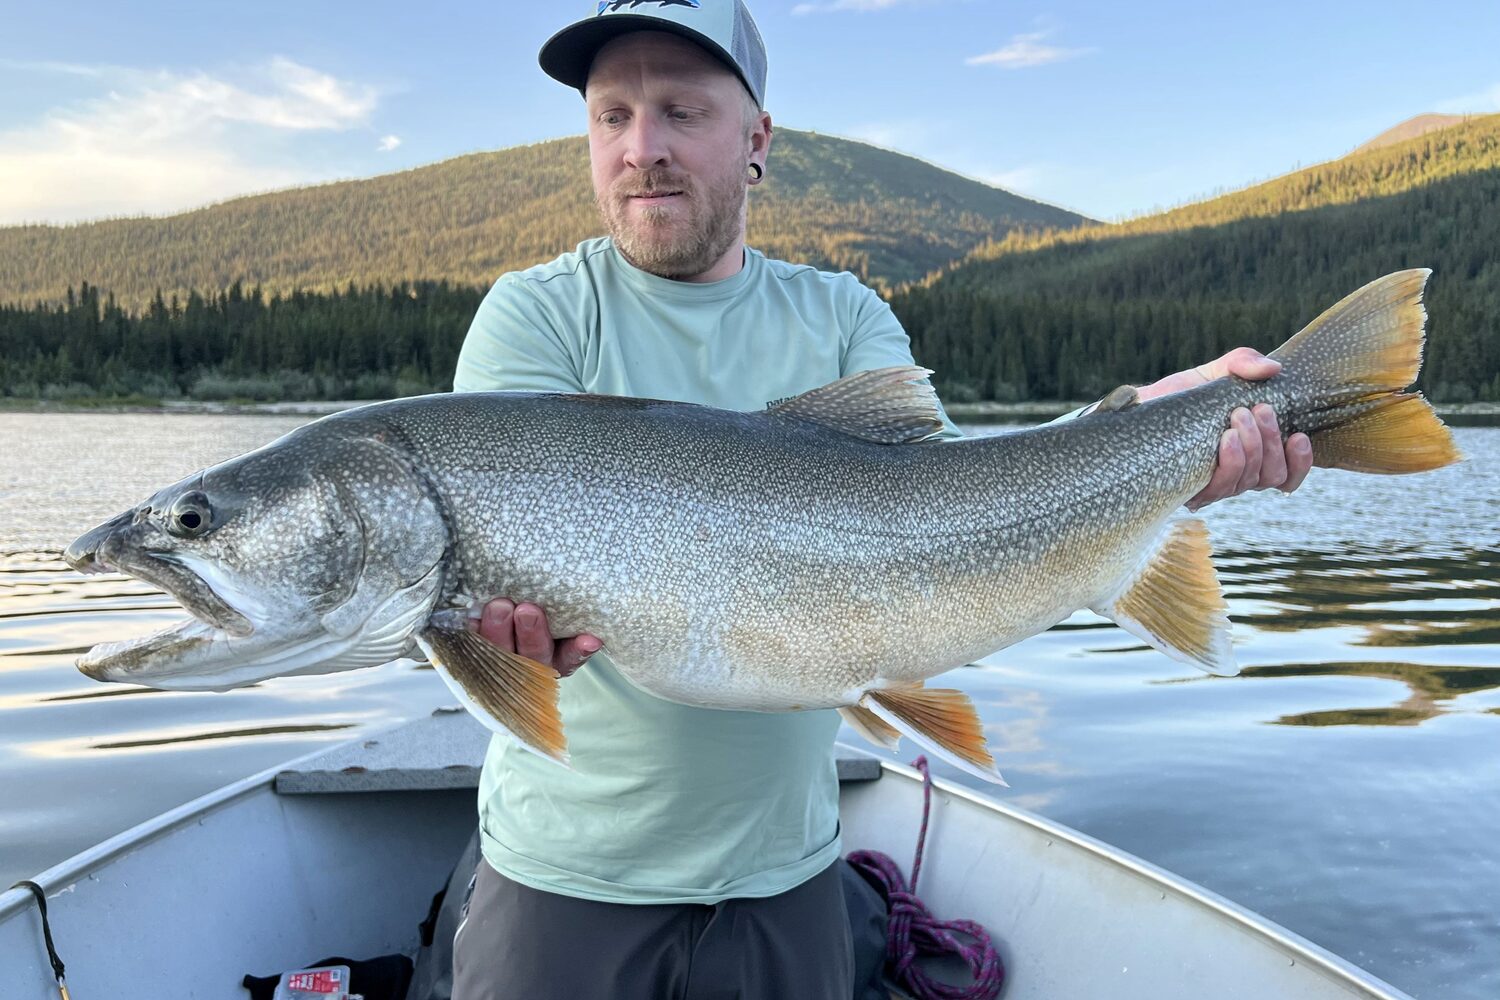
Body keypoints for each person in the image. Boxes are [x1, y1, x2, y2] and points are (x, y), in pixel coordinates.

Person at [447, 3, 1313, 997]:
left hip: (787, 876)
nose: (642, 148)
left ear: (757, 138)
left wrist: (1164, 426)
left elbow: (956, 506)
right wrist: (495, 642)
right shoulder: (537, 314)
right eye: (613, 115)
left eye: (681, 111)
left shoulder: (843, 313)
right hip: (561, 876)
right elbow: (502, 613)